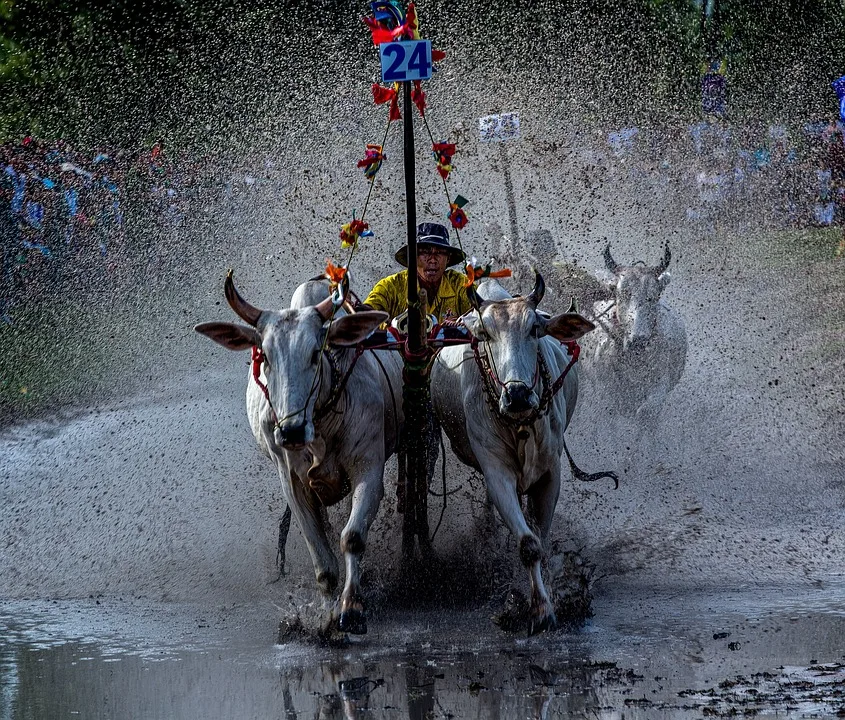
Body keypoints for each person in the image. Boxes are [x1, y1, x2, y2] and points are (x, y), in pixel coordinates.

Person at [361, 222, 472, 324]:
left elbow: (481, 312)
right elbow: (366, 314)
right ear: (413, 257)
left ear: (448, 259)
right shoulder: (390, 287)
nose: (432, 260)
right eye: (425, 252)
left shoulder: (461, 285)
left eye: (439, 253)